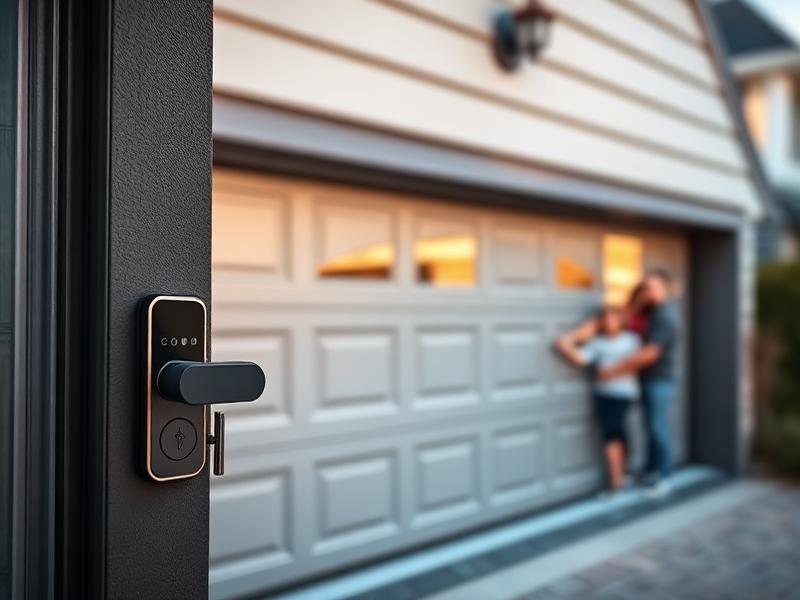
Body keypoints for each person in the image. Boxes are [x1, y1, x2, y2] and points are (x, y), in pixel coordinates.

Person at [598, 269, 680, 497]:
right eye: (644, 287)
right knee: (649, 427)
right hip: (645, 380)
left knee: (658, 428)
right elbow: (624, 316)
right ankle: (651, 471)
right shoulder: (651, 311)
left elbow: (649, 354)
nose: (647, 291)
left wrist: (613, 370)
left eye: (651, 287)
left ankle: (664, 477)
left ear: (664, 288)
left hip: (659, 381)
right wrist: (639, 301)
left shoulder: (665, 316)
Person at [555, 306, 641, 494]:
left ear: (620, 320)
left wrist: (612, 372)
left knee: (615, 433)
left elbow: (637, 363)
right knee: (613, 433)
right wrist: (584, 331)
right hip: (604, 394)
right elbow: (570, 351)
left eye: (613, 318)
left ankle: (617, 481)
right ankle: (619, 477)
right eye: (605, 319)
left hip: (624, 394)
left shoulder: (631, 341)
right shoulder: (597, 343)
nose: (609, 322)